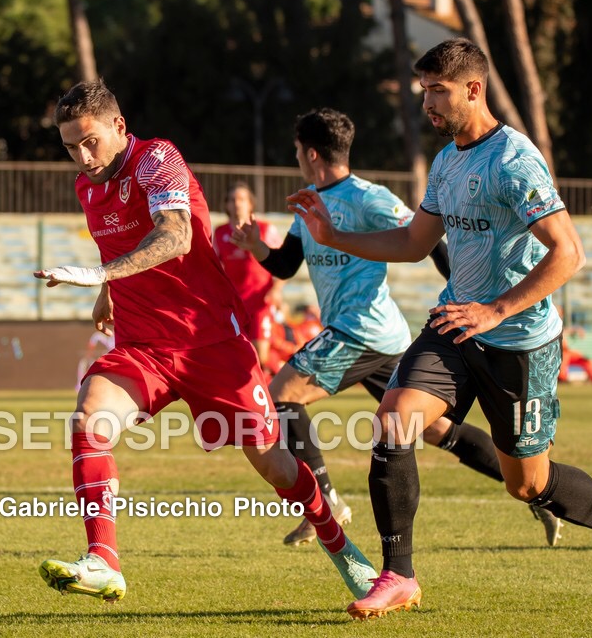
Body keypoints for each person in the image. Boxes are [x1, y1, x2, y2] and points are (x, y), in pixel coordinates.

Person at [286, 39, 592, 620]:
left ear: (473, 90)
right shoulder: (446, 162)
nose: (427, 102)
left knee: (528, 485)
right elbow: (414, 242)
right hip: (455, 324)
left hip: (519, 342)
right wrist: (335, 238)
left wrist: (497, 309)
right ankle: (398, 576)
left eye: (438, 90)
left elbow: (569, 252)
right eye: (424, 90)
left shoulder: (514, 159)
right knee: (393, 419)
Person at [33, 79, 377, 605]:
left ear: (119, 127)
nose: (83, 157)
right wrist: (107, 291)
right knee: (88, 422)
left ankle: (342, 548)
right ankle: (103, 560)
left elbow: (176, 235)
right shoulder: (88, 186)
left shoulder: (156, 159)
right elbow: (118, 241)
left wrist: (101, 273)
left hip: (211, 343)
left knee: (276, 466)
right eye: (70, 147)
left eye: (90, 141)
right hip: (144, 347)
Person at [231, 107, 563, 549]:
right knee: (435, 431)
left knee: (280, 395)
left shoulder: (369, 197)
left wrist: (466, 297)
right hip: (378, 338)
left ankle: (325, 503)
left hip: (361, 329)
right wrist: (257, 247)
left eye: (296, 151)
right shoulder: (309, 202)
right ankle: (537, 492)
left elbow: (427, 240)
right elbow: (287, 265)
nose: (296, 158)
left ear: (311, 153)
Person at [212, 182, 282, 373]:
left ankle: (275, 370)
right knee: (237, 354)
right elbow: (215, 268)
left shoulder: (265, 229)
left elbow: (283, 265)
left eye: (241, 199)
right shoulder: (220, 232)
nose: (237, 204)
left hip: (260, 302)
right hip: (234, 304)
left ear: (251, 203)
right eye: (232, 200)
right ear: (226, 205)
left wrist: (276, 291)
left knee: (260, 356)